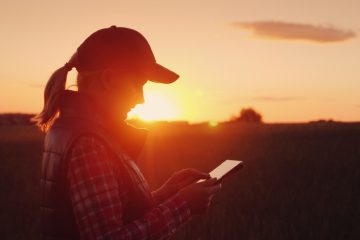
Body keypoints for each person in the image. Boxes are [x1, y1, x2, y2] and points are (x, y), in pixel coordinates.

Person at [33, 26, 221, 240]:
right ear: (108, 80)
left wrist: (165, 195)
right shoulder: (88, 143)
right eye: (138, 84)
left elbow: (109, 213)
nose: (141, 99)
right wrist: (182, 206)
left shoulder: (74, 129)